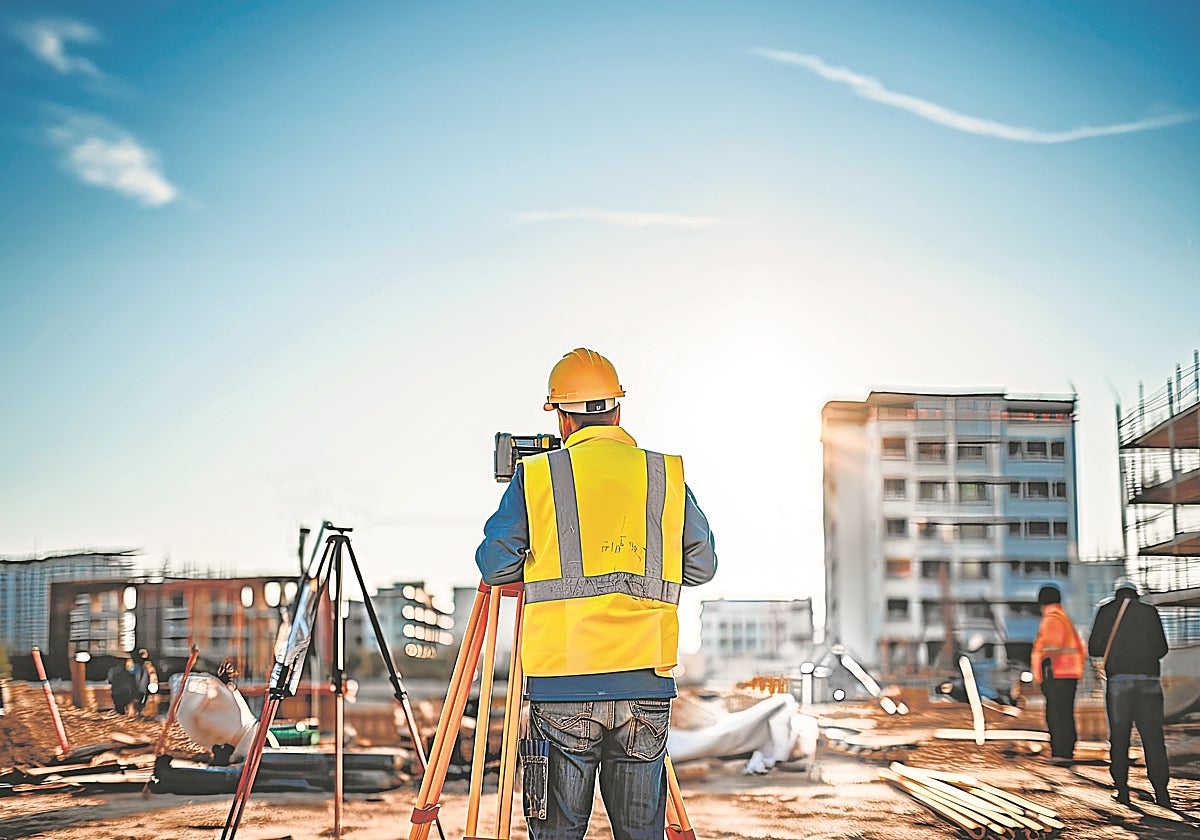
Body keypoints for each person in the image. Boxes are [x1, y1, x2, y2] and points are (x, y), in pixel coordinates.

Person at [476, 347, 717, 840]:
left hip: (563, 685)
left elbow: (496, 565)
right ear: (617, 412)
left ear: (562, 420)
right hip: (645, 685)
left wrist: (540, 556)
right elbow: (702, 565)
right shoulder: (664, 474)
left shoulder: (539, 475)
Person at [1087, 577, 1171, 807]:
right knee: (1153, 737)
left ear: (1116, 593)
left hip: (1119, 681)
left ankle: (1122, 790)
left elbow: (1094, 648)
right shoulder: (1149, 612)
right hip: (1149, 681)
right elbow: (1162, 649)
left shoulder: (1105, 611)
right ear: (1136, 593)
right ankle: (1161, 792)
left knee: (1120, 735)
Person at [1031, 584, 1086, 763]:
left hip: (1057, 673)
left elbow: (1050, 648)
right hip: (1068, 672)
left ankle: (1060, 752)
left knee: (1056, 714)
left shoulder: (1052, 618)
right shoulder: (1062, 616)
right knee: (1064, 713)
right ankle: (1065, 750)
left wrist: (1040, 670)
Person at [132, 648, 159, 718]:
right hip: (139, 686)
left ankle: (142, 713)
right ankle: (140, 712)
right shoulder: (137, 665)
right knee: (139, 699)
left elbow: (152, 675)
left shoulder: (148, 665)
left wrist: (153, 684)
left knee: (143, 699)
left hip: (144, 686)